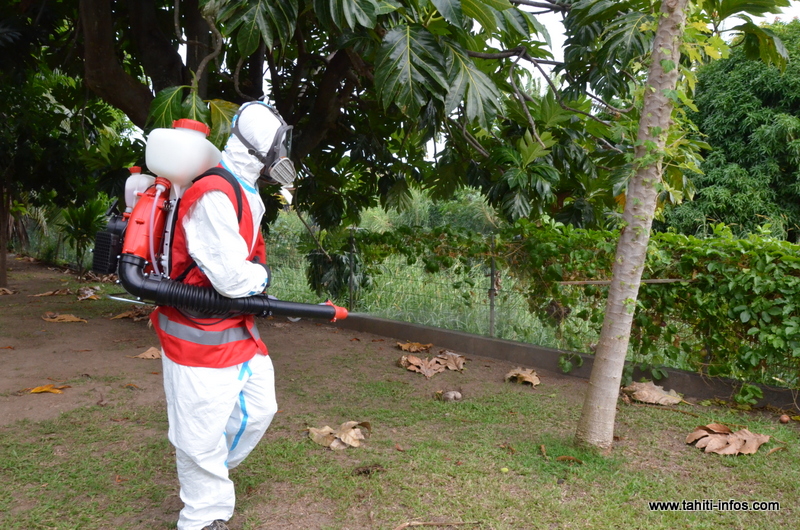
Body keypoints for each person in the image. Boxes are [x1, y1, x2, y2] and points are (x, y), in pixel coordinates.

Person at [150, 101, 295, 530]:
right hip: (197, 330)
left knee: (260, 407)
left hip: (232, 325)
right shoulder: (215, 192)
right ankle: (201, 516)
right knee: (197, 434)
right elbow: (232, 278)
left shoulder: (243, 188)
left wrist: (257, 277)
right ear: (258, 150)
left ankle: (209, 473)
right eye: (279, 146)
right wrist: (262, 275)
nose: (284, 155)